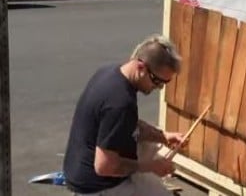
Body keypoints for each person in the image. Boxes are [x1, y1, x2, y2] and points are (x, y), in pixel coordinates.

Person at [63, 34, 186, 196]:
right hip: (96, 187)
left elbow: (128, 125)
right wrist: (151, 166)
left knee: (150, 148)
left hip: (81, 171)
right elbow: (105, 166)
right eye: (157, 81)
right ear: (141, 67)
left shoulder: (109, 73)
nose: (160, 88)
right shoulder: (120, 103)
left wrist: (163, 136)